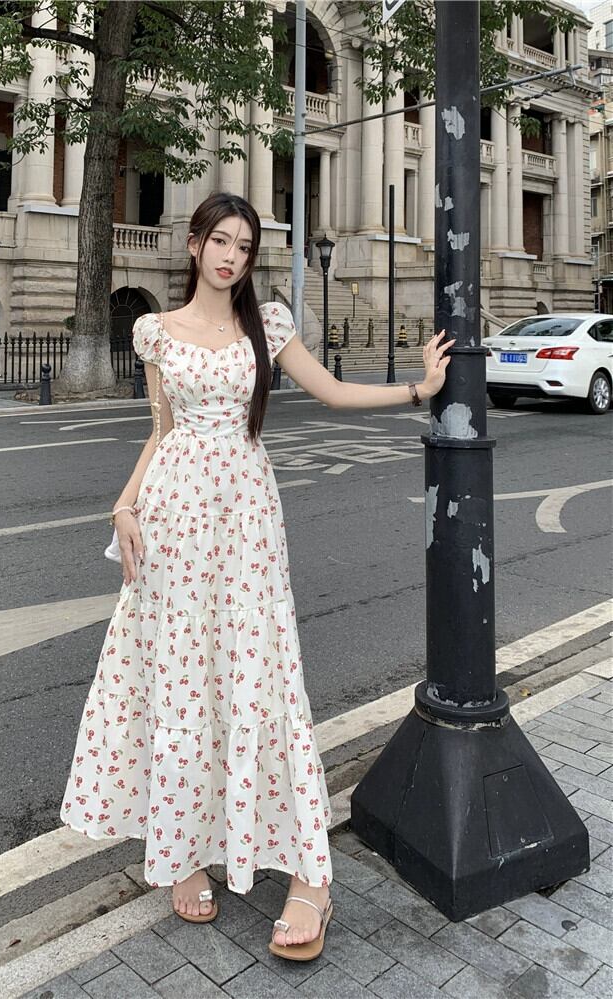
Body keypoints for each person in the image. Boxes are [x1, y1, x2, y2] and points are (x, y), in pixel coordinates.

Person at [60, 191, 453, 962]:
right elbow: (160, 432)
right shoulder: (155, 332)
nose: (231, 256)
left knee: (261, 675)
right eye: (221, 241)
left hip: (245, 521)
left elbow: (332, 390)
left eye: (244, 245)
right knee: (182, 678)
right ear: (195, 244)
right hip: (174, 521)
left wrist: (417, 389)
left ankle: (310, 872)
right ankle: (183, 848)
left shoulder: (266, 325)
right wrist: (124, 504)